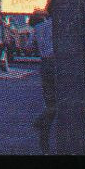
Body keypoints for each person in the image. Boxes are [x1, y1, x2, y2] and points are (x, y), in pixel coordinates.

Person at [30, 10, 57, 152]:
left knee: (50, 100)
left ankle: (44, 141)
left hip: (44, 63)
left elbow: (30, 45)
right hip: (55, 63)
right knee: (58, 102)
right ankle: (42, 121)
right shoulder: (52, 24)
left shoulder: (35, 30)